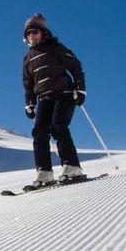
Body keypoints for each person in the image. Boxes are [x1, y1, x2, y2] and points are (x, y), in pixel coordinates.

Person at [21, 13, 87, 187]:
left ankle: (72, 166)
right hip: (44, 98)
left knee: (58, 125)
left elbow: (75, 66)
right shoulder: (28, 59)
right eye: (28, 33)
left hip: (64, 94)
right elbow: (28, 83)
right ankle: (44, 172)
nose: (31, 36)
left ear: (43, 32)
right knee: (39, 132)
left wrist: (80, 89)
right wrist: (30, 103)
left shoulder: (56, 48)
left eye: (34, 32)